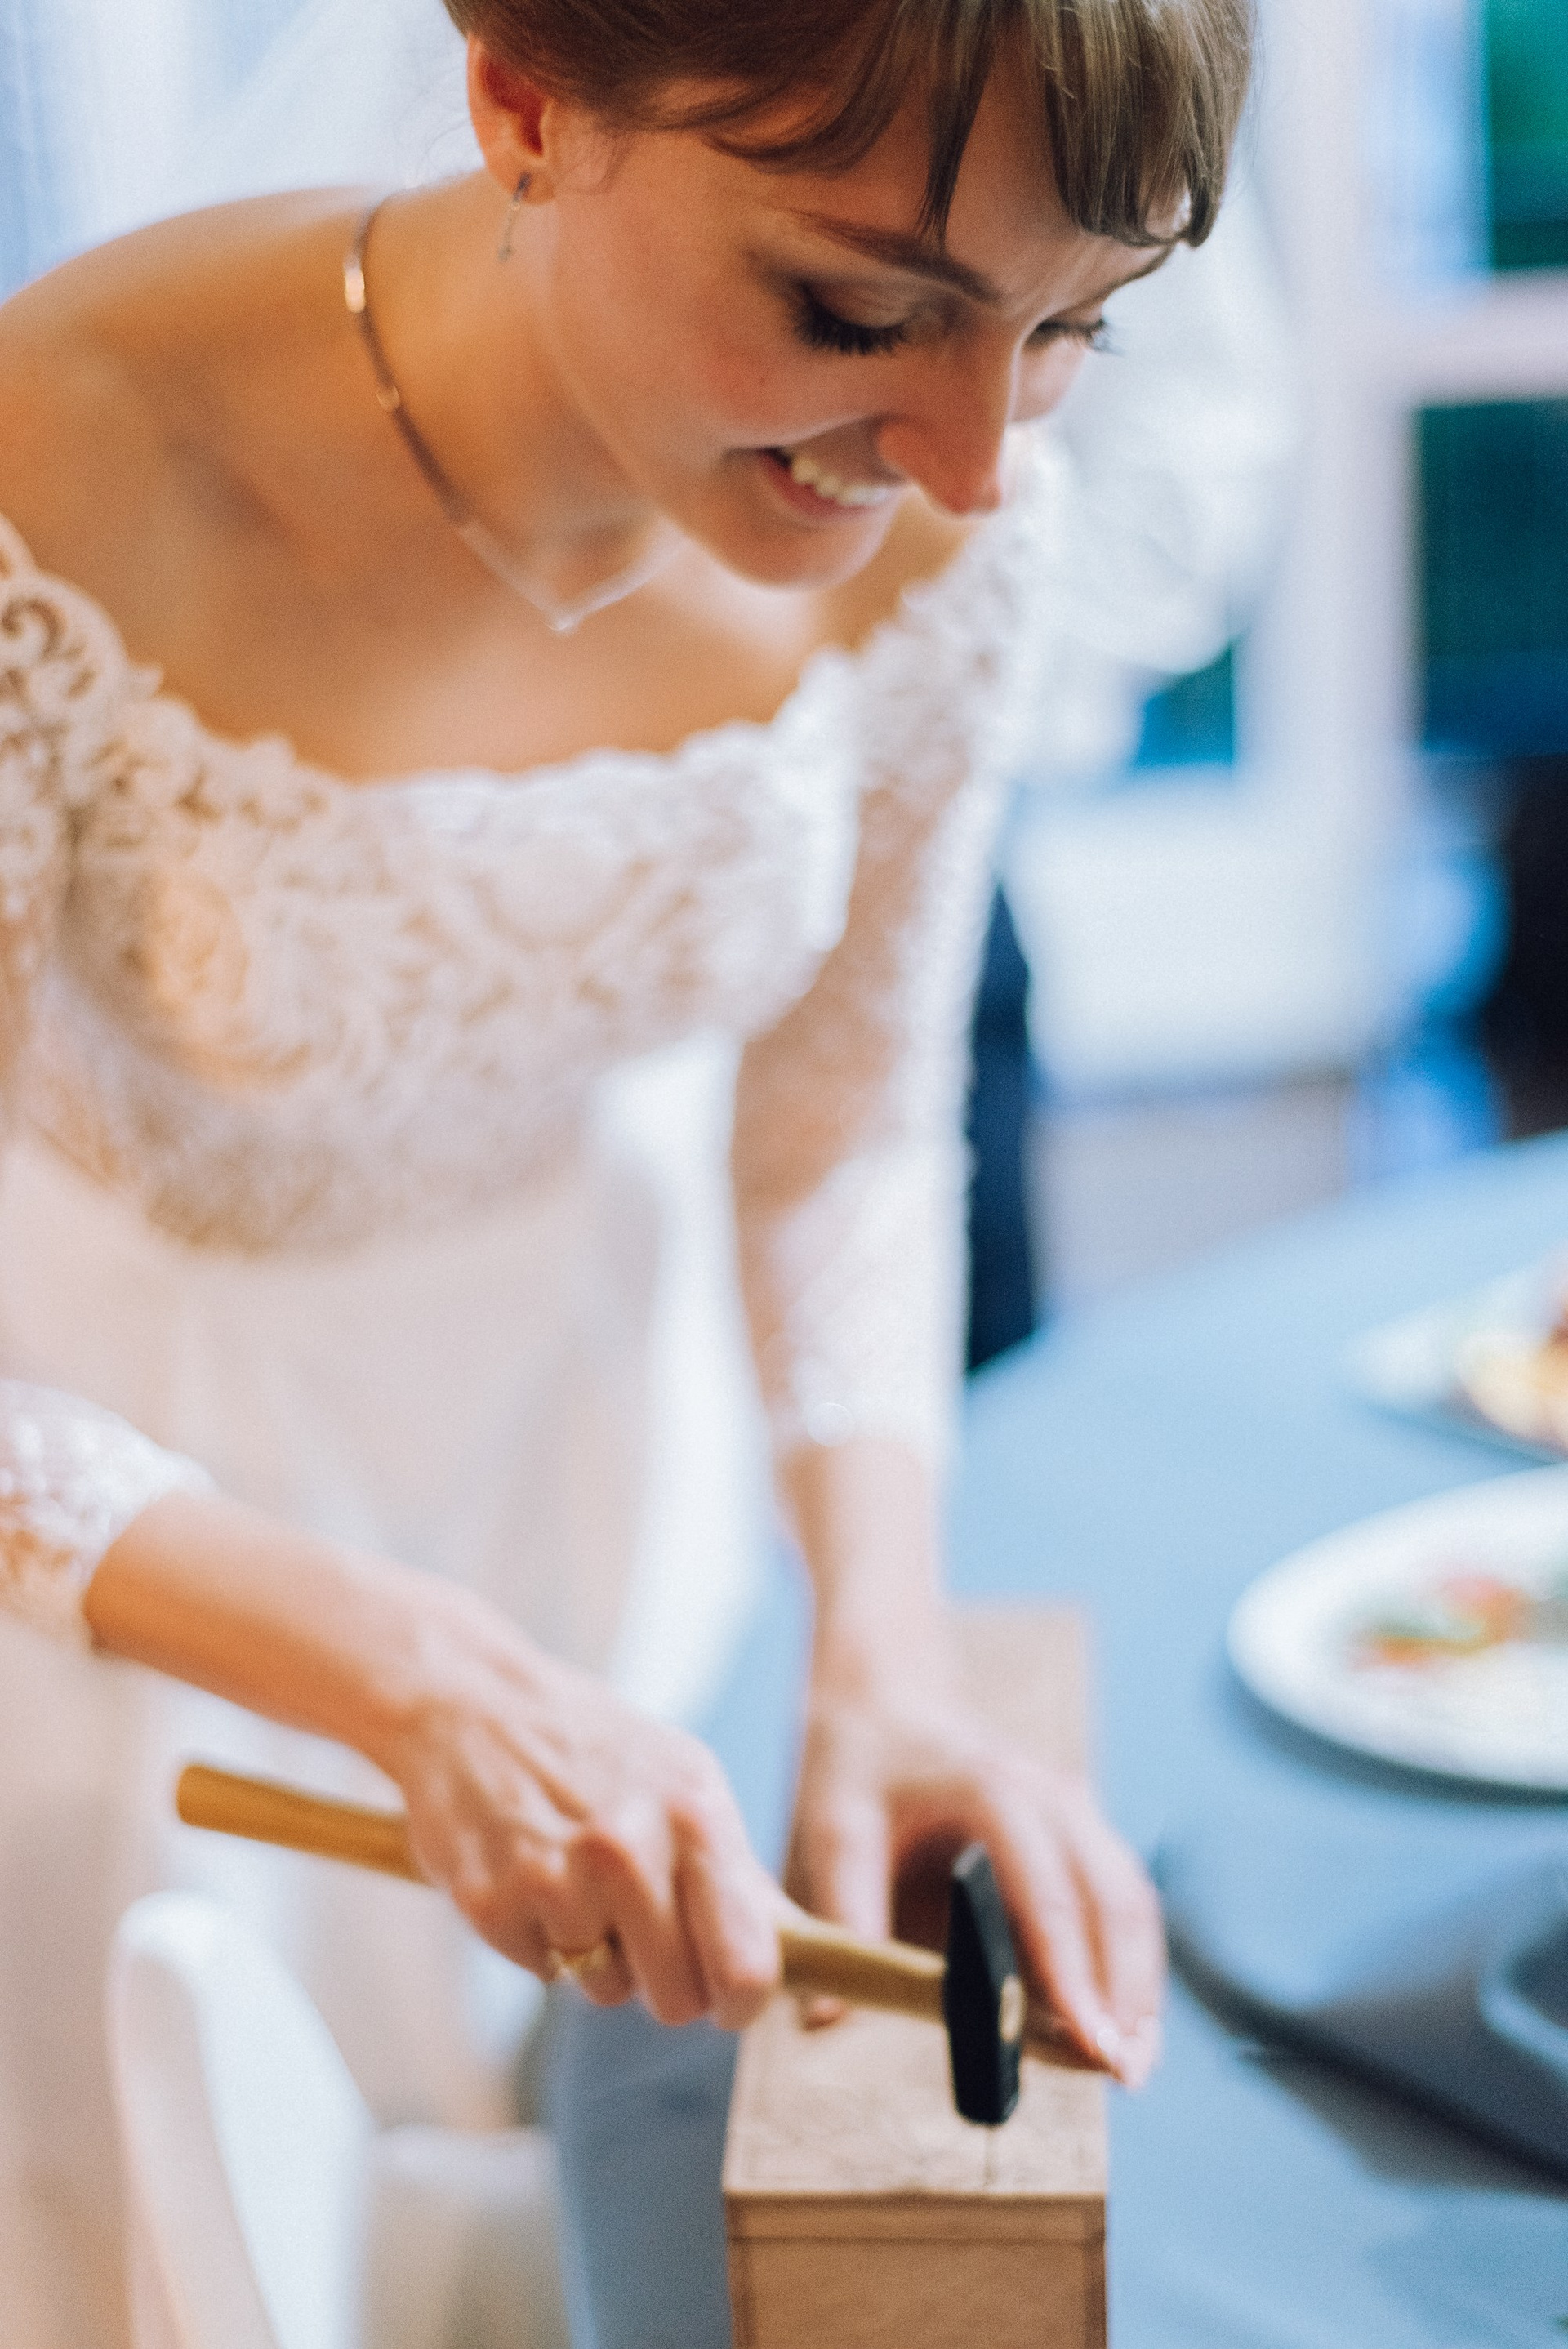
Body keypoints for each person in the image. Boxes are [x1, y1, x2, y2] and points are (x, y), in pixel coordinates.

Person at [0, 2, 1251, 2338]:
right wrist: (409, 1673)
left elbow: (846, 1117)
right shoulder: (58, 457)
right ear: (522, 99)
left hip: (601, 1470)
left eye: (1077, 325)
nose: (976, 465)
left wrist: (881, 1651)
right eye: (857, 311)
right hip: (123, 1574)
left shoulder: (939, 512)